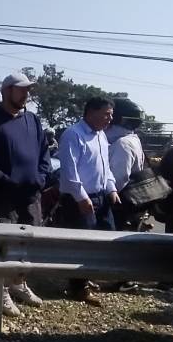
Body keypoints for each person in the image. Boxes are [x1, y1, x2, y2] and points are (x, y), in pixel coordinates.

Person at [0, 71, 50, 317]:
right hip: (3, 196)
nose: (27, 94)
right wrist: (5, 181)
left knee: (29, 243)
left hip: (31, 196)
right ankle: (1, 290)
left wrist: (40, 179)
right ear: (7, 91)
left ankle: (18, 283)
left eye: (28, 90)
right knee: (3, 246)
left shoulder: (33, 120)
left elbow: (44, 154)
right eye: (22, 89)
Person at [57, 97, 119, 305]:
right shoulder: (73, 134)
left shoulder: (101, 136)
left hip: (101, 197)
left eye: (111, 114)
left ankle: (87, 277)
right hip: (80, 199)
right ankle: (77, 286)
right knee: (83, 243)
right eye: (106, 114)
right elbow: (69, 170)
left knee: (105, 237)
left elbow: (105, 167)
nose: (110, 119)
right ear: (91, 112)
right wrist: (81, 196)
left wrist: (111, 188)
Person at [106, 98, 145, 231]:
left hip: (117, 205)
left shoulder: (122, 144)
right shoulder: (132, 139)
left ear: (120, 120)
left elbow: (119, 178)